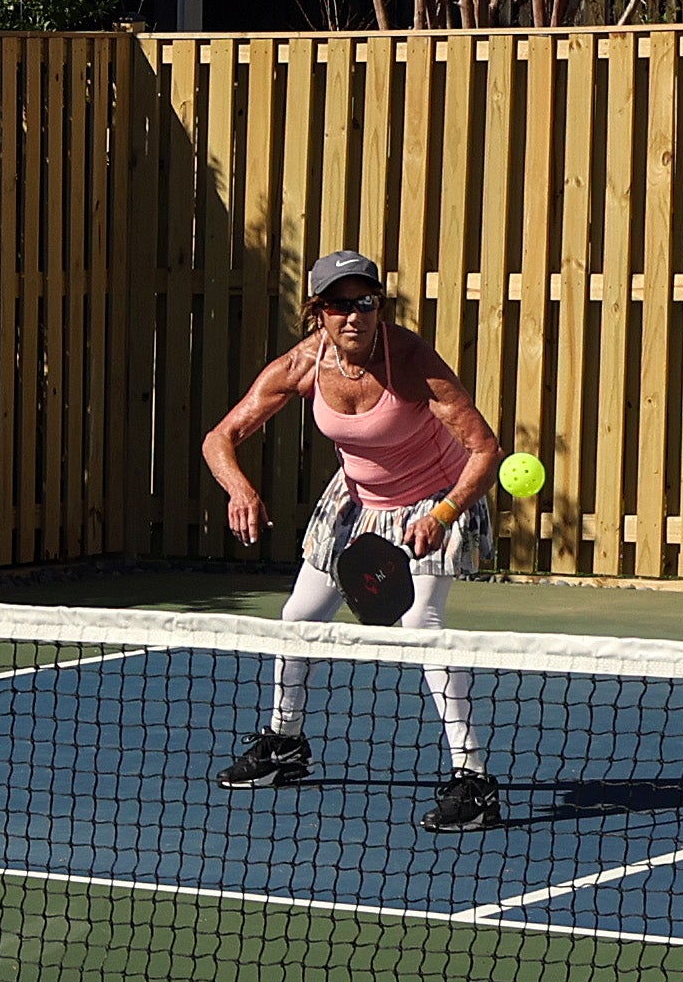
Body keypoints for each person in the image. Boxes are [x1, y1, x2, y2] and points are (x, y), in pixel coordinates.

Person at [195, 250, 510, 831]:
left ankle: (474, 780)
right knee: (299, 617)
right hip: (357, 501)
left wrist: (442, 513)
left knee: (421, 628)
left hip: (434, 498)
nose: (354, 316)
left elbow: (485, 450)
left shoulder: (412, 361)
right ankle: (284, 744)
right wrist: (240, 490)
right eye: (340, 305)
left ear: (378, 308)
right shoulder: (304, 364)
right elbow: (221, 437)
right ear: (318, 313)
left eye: (366, 302)